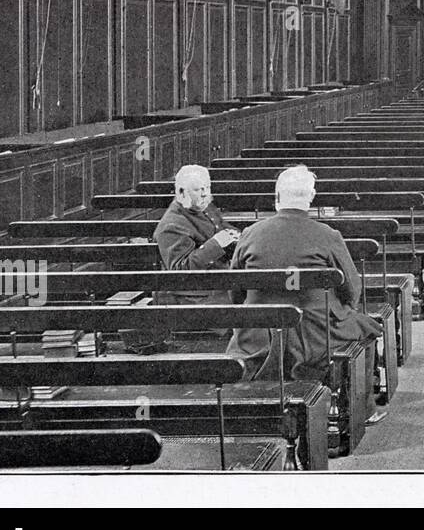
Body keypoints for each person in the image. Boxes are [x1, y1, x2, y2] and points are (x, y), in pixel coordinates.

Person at [226, 165, 381, 382]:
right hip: (316, 335)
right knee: (368, 326)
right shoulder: (327, 235)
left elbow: (236, 291)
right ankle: (365, 403)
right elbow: (352, 289)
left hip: (259, 336)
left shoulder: (250, 234)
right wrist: (345, 309)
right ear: (311, 196)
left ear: (277, 195)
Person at [152, 164, 240, 306]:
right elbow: (180, 271)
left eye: (207, 187)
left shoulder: (201, 206)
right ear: (182, 193)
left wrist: (238, 237)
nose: (205, 193)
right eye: (198, 190)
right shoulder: (171, 226)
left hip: (216, 282)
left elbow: (222, 227)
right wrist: (216, 244)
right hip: (194, 298)